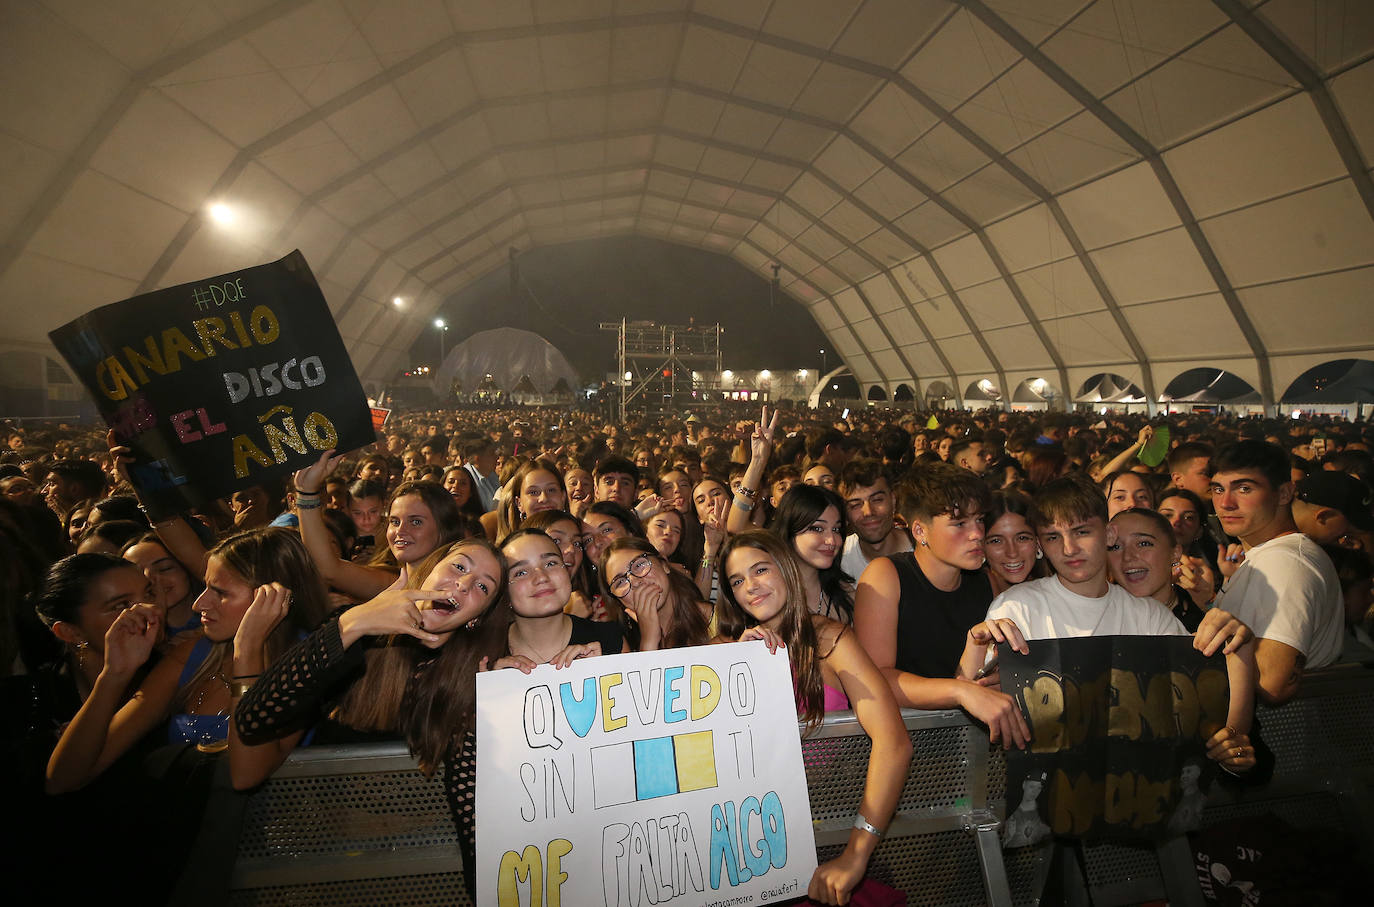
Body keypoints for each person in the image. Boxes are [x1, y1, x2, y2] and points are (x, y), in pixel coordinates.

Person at [236, 537, 507, 897]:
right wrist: (352, 625)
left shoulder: (482, 671)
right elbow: (253, 720)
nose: (462, 584)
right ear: (428, 571)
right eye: (459, 567)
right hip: (331, 861)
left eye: (482, 587)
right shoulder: (355, 633)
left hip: (431, 867)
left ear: (478, 618)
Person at [958, 475, 1258, 776]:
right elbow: (976, 693)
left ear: (1109, 532)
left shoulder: (1149, 615)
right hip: (1046, 785)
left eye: (1082, 532)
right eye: (1052, 537)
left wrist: (1237, 645)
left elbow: (1199, 705)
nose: (1069, 548)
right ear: (1040, 544)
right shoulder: (1016, 608)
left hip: (1135, 785)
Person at [45, 528, 329, 794]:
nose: (199, 604)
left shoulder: (305, 664)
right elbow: (62, 779)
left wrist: (247, 651)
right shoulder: (195, 654)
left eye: (220, 593)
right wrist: (114, 676)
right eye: (205, 587)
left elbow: (244, 776)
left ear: (272, 599)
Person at [718, 531, 911, 906]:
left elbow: (895, 742)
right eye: (737, 581)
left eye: (760, 570)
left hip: (831, 828)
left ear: (787, 570)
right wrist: (737, 671)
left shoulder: (828, 639)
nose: (751, 587)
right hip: (756, 844)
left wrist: (856, 853)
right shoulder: (726, 651)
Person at [853, 464, 1028, 747]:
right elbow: (876, 678)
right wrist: (960, 692)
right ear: (920, 530)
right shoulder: (887, 575)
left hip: (968, 747)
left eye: (979, 520)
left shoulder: (987, 583)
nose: (976, 534)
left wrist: (994, 680)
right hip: (901, 742)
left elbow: (976, 675)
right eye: (959, 524)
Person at [1209, 440, 1345, 704]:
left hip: (1280, 736)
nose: (1226, 503)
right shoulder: (1271, 556)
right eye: (1217, 489)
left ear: (1284, 493)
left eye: (1244, 489)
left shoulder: (1285, 564)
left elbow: (1273, 684)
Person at [484, 529, 623, 673]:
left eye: (550, 564)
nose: (541, 577)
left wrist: (607, 672)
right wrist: (492, 690)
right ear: (503, 591)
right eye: (521, 572)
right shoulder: (483, 655)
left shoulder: (608, 640)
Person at [600, 537, 712, 650]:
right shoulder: (626, 649)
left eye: (639, 565)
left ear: (664, 565)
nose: (635, 582)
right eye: (620, 582)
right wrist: (649, 639)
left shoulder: (719, 621)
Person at [1108, 508, 1210, 631]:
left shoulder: (1204, 628)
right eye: (1116, 547)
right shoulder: (1093, 621)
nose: (1128, 556)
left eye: (1143, 544)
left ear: (1175, 553)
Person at [768, 483, 853, 622]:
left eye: (836, 529)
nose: (831, 541)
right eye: (818, 529)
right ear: (790, 530)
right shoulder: (766, 593)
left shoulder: (846, 595)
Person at [838, 458, 912, 581]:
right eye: (855, 505)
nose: (868, 512)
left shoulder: (925, 550)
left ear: (893, 500)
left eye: (877, 500)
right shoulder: (839, 560)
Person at [982, 490, 1048, 596]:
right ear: (981, 546)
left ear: (1038, 541)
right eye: (996, 541)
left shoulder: (1062, 589)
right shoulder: (970, 595)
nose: (1012, 553)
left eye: (1022, 538)